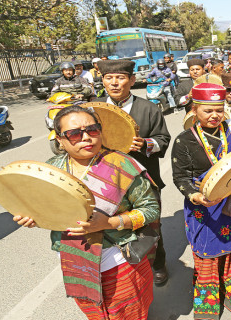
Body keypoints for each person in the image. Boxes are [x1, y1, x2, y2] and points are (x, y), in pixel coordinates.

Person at [14, 106, 160, 319]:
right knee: (95, 312)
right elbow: (45, 208)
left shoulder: (123, 165)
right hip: (75, 259)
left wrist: (110, 223)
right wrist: (34, 218)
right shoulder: (51, 169)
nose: (86, 137)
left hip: (118, 260)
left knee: (128, 312)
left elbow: (150, 210)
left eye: (92, 130)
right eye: (74, 133)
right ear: (59, 140)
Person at [171, 83, 231, 320]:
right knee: (207, 253)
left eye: (219, 109)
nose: (215, 115)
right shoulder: (184, 140)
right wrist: (195, 196)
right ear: (194, 110)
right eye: (208, 111)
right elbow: (181, 177)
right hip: (203, 206)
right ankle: (209, 305)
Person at [95, 59, 171, 286]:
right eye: (109, 78)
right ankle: (118, 269)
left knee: (150, 225)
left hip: (143, 180)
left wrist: (146, 144)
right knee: (109, 225)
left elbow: (163, 140)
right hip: (105, 180)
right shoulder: (94, 108)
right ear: (103, 81)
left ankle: (158, 264)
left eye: (120, 78)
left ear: (132, 80)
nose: (114, 83)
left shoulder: (148, 108)